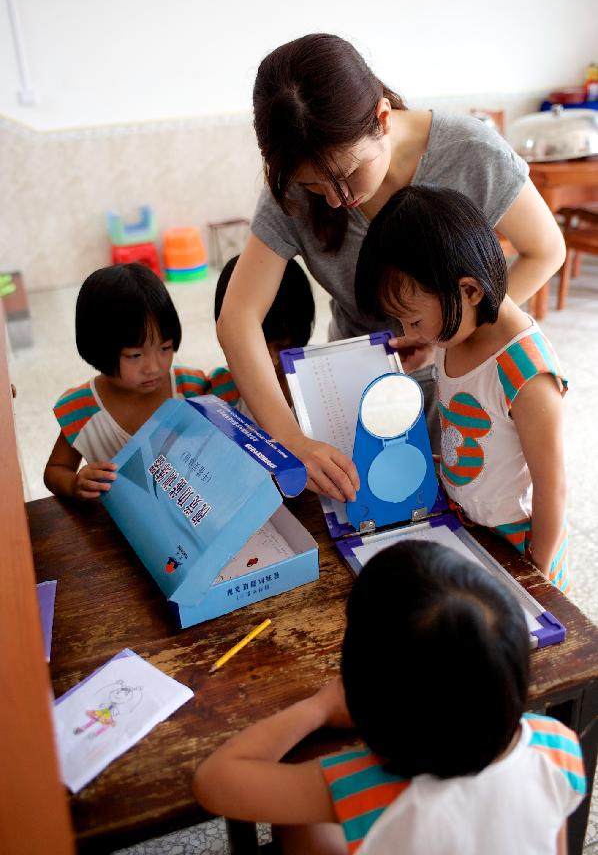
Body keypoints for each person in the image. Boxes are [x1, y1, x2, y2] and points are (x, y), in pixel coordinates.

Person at [216, 33, 565, 504]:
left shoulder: (468, 152)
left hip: (463, 374)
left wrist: (451, 327)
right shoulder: (295, 185)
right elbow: (237, 319)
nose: (337, 199)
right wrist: (290, 440)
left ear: (382, 118)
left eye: (348, 174)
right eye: (317, 187)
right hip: (357, 381)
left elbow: (546, 250)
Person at [192, 541, 585, 855]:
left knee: (299, 823)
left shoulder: (361, 789)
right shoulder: (559, 749)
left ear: (367, 698)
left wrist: (317, 708)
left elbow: (214, 782)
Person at [355, 184, 568, 589]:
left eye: (415, 321)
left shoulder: (526, 372)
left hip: (519, 543)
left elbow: (552, 485)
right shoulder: (454, 337)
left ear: (469, 291)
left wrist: (537, 572)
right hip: (468, 523)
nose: (407, 332)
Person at [44, 263, 239, 500]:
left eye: (165, 348)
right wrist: (75, 483)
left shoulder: (192, 388)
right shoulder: (83, 411)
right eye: (135, 355)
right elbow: (55, 471)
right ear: (98, 348)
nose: (154, 367)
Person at [214, 254, 315, 416]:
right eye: (257, 348)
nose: (273, 361)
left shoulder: (322, 375)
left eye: (283, 346)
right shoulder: (224, 389)